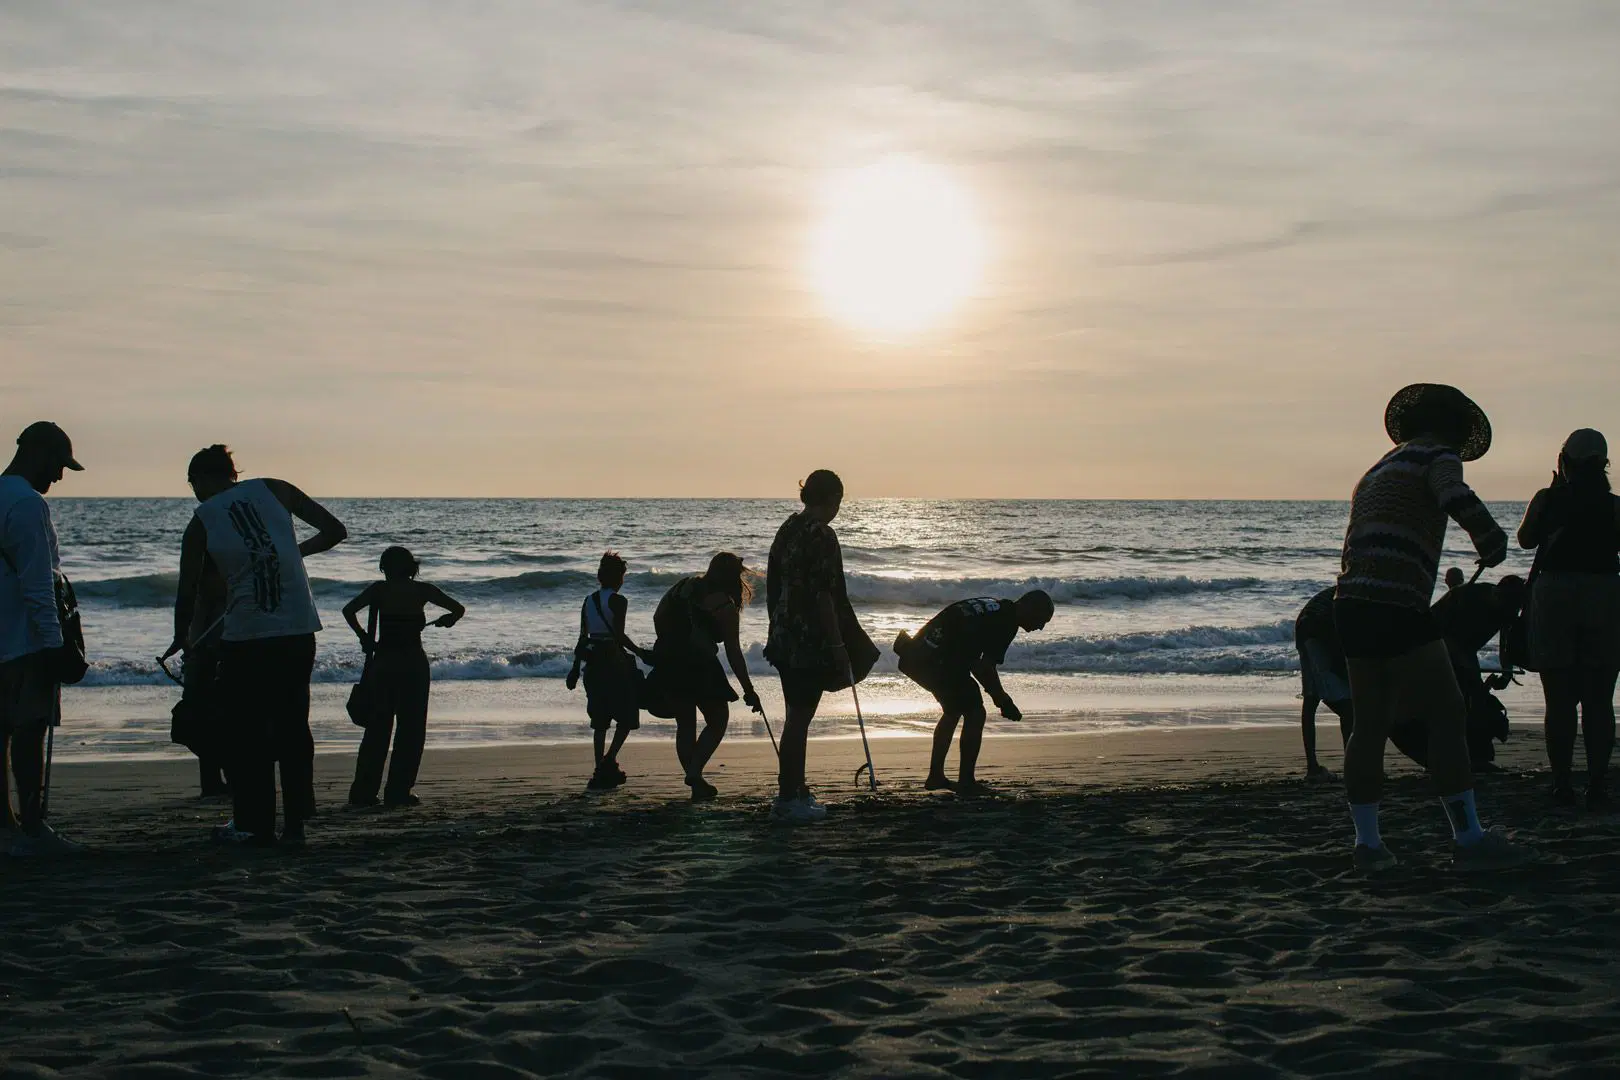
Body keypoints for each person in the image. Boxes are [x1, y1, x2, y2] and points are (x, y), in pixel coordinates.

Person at [1333, 383, 1526, 872]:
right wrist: (1489, 536)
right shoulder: (1438, 456)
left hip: (1351, 601)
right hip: (1399, 603)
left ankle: (1368, 845)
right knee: (1447, 714)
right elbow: (1453, 494)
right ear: (1455, 431)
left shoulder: (1379, 466)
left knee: (1369, 724)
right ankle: (1468, 838)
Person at [164, 445, 347, 847]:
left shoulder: (202, 521)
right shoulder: (275, 489)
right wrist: (291, 554)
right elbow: (336, 531)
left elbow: (187, 589)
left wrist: (183, 635)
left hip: (247, 636)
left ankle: (255, 825)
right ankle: (296, 826)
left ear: (201, 479)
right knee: (294, 726)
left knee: (247, 733)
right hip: (300, 629)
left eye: (192, 484)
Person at [765, 469, 877, 824]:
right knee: (799, 718)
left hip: (783, 635)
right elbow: (825, 595)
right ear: (831, 499)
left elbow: (772, 583)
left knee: (795, 715)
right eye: (838, 502)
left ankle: (795, 790)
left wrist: (775, 626)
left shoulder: (788, 529)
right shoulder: (822, 535)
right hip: (808, 640)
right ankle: (788, 798)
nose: (838, 509)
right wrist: (837, 642)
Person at [1517, 428, 1620, 810]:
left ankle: (1562, 783)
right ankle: (1596, 784)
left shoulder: (1547, 499)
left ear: (1564, 462)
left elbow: (1526, 539)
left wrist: (1553, 492)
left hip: (1555, 593)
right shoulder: (1614, 506)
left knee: (1558, 700)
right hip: (1605, 594)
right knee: (1598, 699)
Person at [0, 421, 85, 856]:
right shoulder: (28, 505)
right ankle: (32, 828)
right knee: (30, 731)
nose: (59, 476)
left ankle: (6, 826)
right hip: (24, 640)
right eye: (58, 464)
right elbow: (39, 585)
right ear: (38, 454)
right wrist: (54, 644)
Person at [895, 592, 1054, 796]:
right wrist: (1004, 701)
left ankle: (936, 776)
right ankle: (966, 782)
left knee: (954, 710)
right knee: (975, 712)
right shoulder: (1005, 623)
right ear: (1028, 608)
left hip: (917, 654)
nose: (1040, 627)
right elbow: (984, 668)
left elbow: (974, 661)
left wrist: (1000, 698)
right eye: (1041, 620)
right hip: (933, 658)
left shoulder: (994, 606)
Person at [343, 546, 464, 809]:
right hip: (413, 664)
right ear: (411, 568)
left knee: (377, 730)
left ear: (385, 567)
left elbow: (348, 610)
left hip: (384, 663)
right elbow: (458, 608)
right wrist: (447, 620)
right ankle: (398, 792)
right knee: (411, 731)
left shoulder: (379, 590)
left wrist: (364, 637)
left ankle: (363, 793)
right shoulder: (422, 590)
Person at [644, 553, 762, 801]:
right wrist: (749, 690)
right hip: (700, 664)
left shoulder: (683, 586)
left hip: (670, 661)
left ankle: (695, 782)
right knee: (718, 719)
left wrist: (669, 644)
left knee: (685, 724)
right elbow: (733, 652)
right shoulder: (724, 605)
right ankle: (695, 772)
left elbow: (658, 617)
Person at [565, 552, 651, 792]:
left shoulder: (588, 600)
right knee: (627, 714)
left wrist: (574, 669)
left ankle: (598, 768)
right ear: (619, 577)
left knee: (600, 720)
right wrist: (641, 652)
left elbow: (582, 638)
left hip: (591, 662)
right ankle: (609, 759)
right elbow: (619, 636)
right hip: (613, 662)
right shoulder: (619, 601)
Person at [1430, 574, 1526, 770]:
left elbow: (1505, 642)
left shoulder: (1508, 607)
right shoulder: (1468, 596)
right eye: (1508, 606)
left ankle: (1474, 754)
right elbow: (1441, 632)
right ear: (1497, 593)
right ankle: (1450, 753)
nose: (1510, 611)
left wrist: (1506, 673)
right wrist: (1467, 670)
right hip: (1434, 645)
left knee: (1476, 699)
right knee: (1455, 701)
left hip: (1465, 650)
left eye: (1515, 608)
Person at [173, 563, 231, 799]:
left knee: (211, 723)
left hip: (204, 662)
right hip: (207, 662)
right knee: (214, 722)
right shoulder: (208, 599)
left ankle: (213, 782)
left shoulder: (205, 597)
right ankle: (216, 782)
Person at [1295, 586, 1351, 780]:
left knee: (1311, 699)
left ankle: (1312, 767)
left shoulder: (1352, 588)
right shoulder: (1362, 598)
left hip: (1304, 625)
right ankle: (1351, 765)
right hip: (1320, 628)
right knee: (1348, 707)